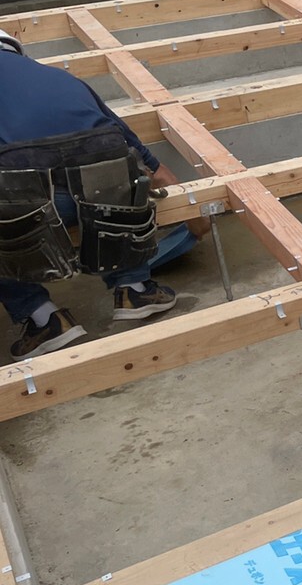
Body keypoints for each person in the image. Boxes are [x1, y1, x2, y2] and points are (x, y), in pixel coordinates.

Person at [0, 28, 179, 359]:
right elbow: (122, 133)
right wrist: (157, 169)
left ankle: (43, 318)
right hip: (104, 195)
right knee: (112, 177)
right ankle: (134, 289)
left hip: (35, 210)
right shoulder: (60, 77)